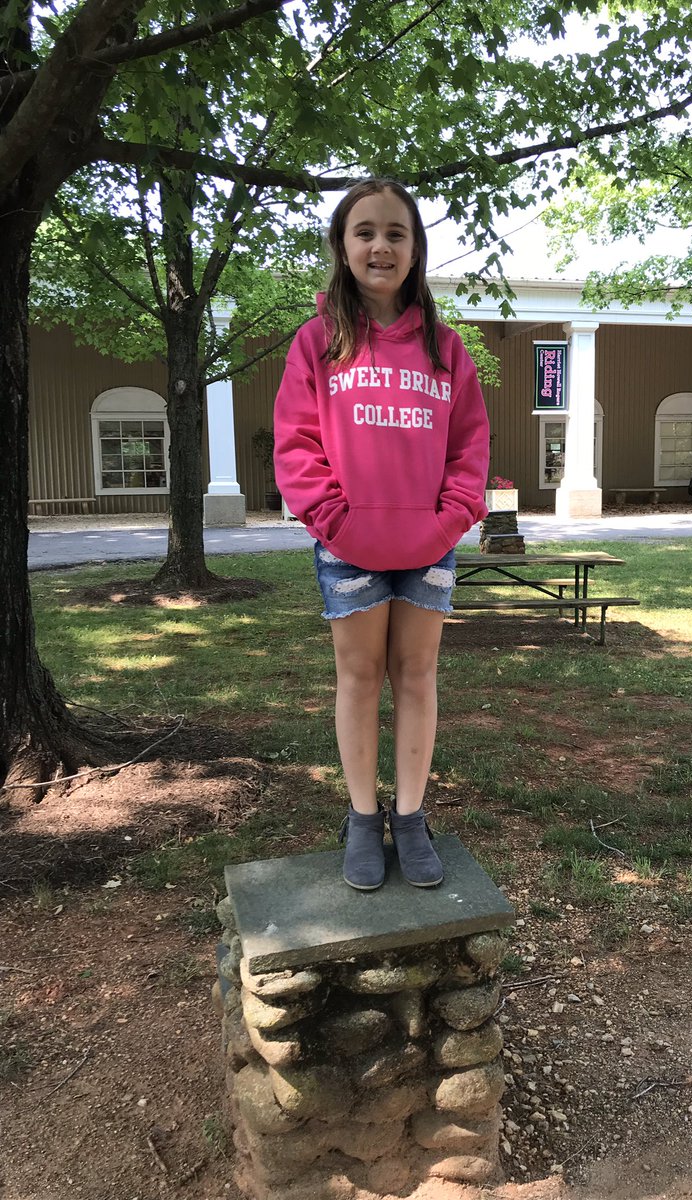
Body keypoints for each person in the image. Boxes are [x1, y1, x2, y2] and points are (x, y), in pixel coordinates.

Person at [273, 178, 490, 891]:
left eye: (397, 233)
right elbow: (297, 446)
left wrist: (450, 520)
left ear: (416, 249)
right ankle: (364, 820)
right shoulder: (318, 343)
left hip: (429, 548)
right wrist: (336, 521)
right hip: (349, 547)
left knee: (418, 678)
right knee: (361, 678)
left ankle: (411, 816)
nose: (380, 245)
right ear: (342, 245)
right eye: (365, 231)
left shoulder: (446, 348)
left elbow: (469, 449)